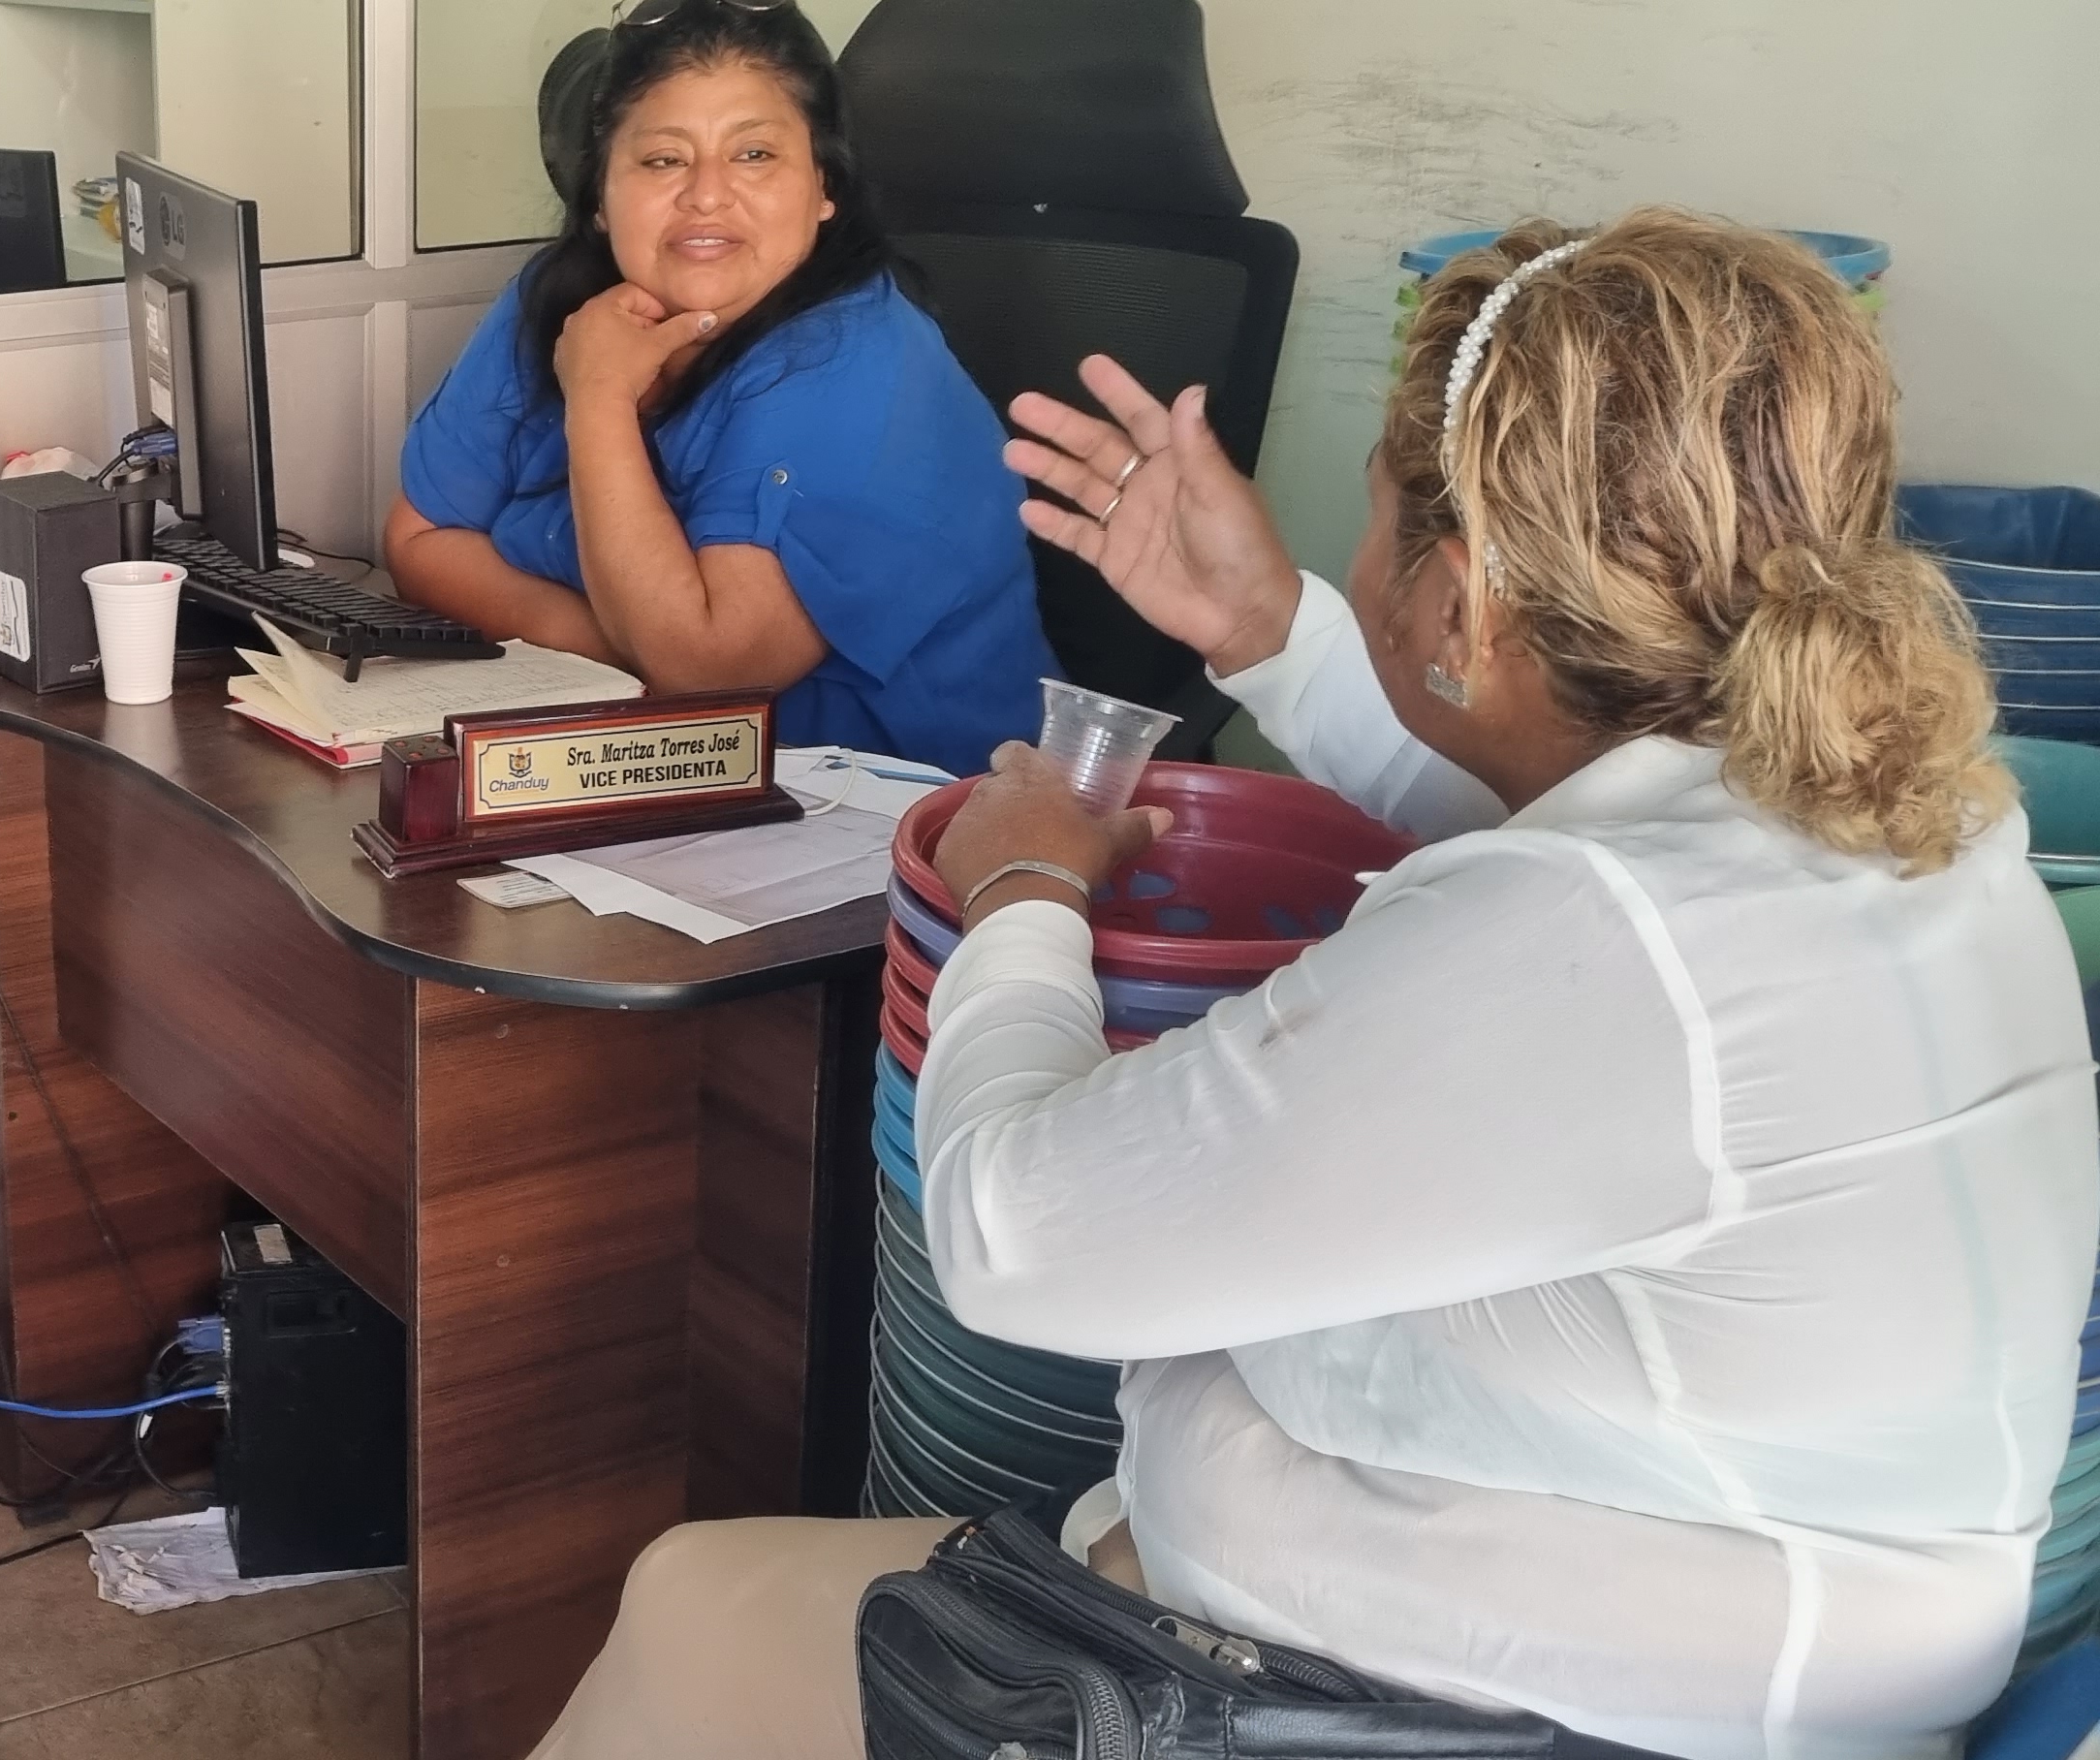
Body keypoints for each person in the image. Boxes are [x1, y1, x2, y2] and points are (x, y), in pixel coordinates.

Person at [529, 210, 2099, 1759]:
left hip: (1516, 1720)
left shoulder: (1601, 941)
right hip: (1667, 1655)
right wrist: (1269, 627)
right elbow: (1562, 855)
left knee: (693, 1608)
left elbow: (1010, 1237)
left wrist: (1022, 888)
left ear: (1462, 602)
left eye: (1376, 514)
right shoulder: (1897, 818)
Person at [387, 0, 1053, 777]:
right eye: (663, 160)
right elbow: (418, 543)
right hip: (624, 760)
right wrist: (632, 648)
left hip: (891, 807)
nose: (707, 194)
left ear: (824, 185)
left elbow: (711, 672)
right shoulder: (561, 299)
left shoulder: (854, 356)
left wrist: (598, 400)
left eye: (755, 154)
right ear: (600, 196)